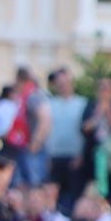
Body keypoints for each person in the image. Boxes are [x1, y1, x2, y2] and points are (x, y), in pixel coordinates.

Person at [43, 69, 88, 212]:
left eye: (65, 83)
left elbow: (85, 132)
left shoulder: (82, 103)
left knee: (74, 196)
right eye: (59, 83)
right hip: (55, 156)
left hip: (74, 156)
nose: (63, 86)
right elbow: (47, 131)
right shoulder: (50, 104)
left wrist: (81, 154)